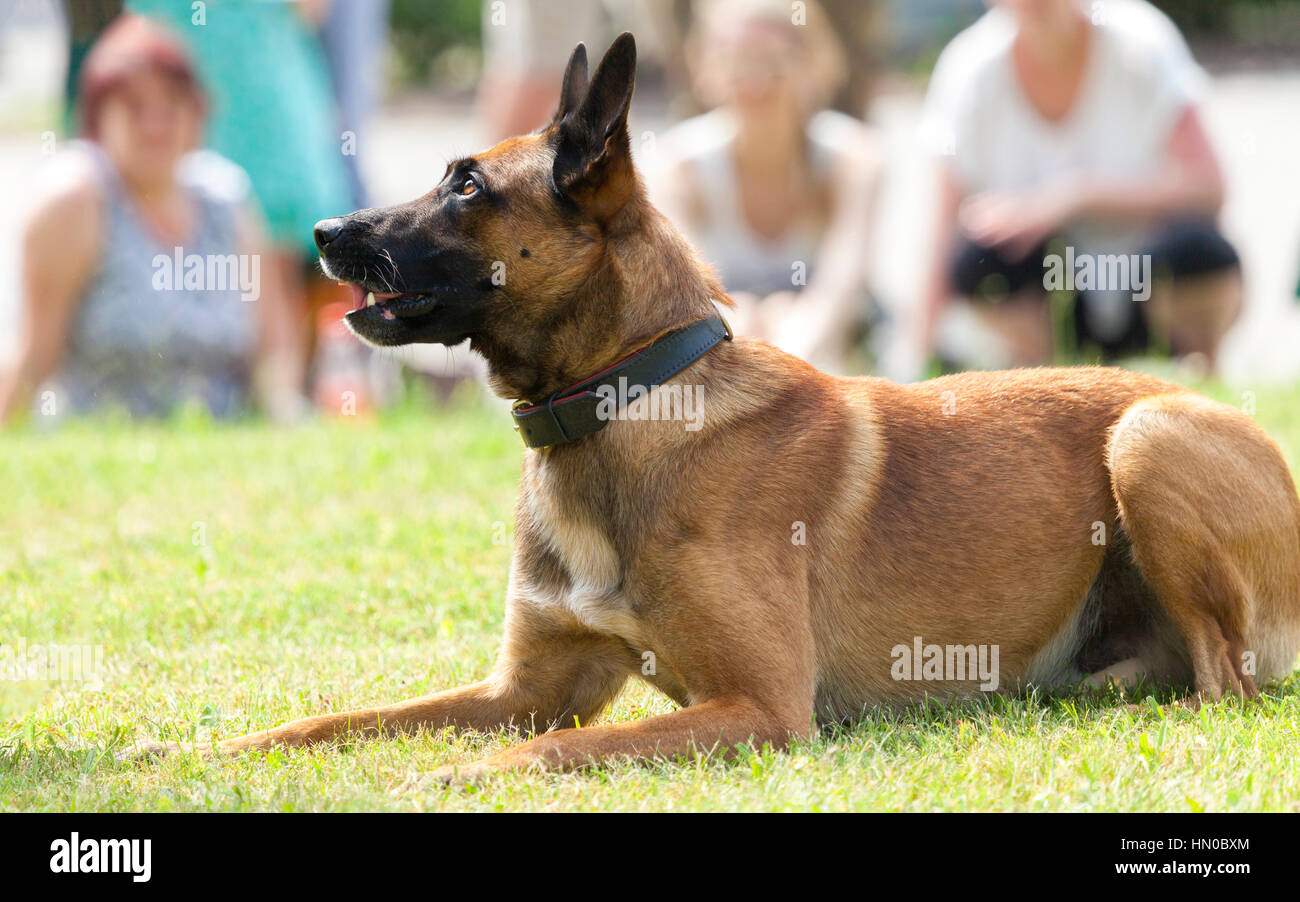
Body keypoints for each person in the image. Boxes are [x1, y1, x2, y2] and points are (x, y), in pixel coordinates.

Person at [0, 14, 302, 424]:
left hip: (221, 436)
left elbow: (274, 348)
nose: (155, 125)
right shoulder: (75, 199)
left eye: (170, 106)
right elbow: (33, 356)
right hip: (101, 431)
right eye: (134, 106)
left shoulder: (225, 197)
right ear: (97, 117)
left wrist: (286, 417)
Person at [919, 0, 1241, 372]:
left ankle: (1199, 365)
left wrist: (1070, 197)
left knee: (1198, 248)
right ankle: (1037, 374)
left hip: (1150, 281)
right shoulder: (969, 68)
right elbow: (942, 234)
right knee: (978, 258)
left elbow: (1208, 185)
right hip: (1052, 292)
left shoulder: (1141, 41)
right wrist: (918, 357)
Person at [651, 0, 881, 373]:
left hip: (829, 346)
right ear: (705, 69)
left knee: (783, 312)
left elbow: (842, 286)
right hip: (727, 343)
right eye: (737, 62)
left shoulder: (853, 159)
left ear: (814, 66)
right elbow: (691, 294)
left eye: (774, 62)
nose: (756, 81)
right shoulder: (678, 167)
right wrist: (749, 340)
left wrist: (793, 349)